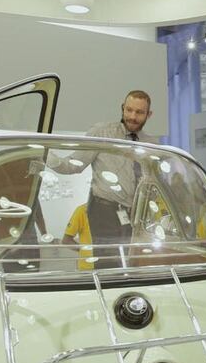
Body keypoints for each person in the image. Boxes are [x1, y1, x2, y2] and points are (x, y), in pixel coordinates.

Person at [47, 90, 157, 269]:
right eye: (129, 110)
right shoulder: (101, 133)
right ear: (122, 108)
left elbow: (155, 182)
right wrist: (46, 156)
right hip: (104, 211)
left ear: (149, 115)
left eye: (139, 112)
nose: (132, 116)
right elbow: (73, 165)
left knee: (133, 267)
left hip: (138, 217)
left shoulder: (151, 144)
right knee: (109, 266)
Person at [63, 204, 93, 271]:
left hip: (115, 265)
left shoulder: (119, 208)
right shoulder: (82, 210)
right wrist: (85, 251)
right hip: (89, 268)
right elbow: (66, 240)